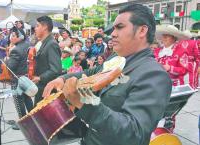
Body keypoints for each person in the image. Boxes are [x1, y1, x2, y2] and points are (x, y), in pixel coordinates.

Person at [43, 4, 172, 145]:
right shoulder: (116, 58)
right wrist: (63, 79)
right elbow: (94, 71)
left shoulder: (154, 75)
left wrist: (84, 104)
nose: (113, 34)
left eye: (120, 27)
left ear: (142, 30)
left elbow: (134, 132)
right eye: (114, 28)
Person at [6, 27, 33, 129]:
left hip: (17, 78)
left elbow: (10, 67)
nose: (10, 37)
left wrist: (8, 57)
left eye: (13, 35)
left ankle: (23, 122)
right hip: (26, 76)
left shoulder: (16, 49)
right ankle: (32, 119)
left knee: (18, 100)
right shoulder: (28, 45)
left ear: (20, 37)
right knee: (27, 99)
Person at [33, 16, 62, 105]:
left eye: (37, 26)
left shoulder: (51, 44)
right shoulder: (45, 43)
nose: (35, 28)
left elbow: (56, 69)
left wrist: (40, 78)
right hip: (42, 88)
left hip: (47, 90)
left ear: (45, 27)